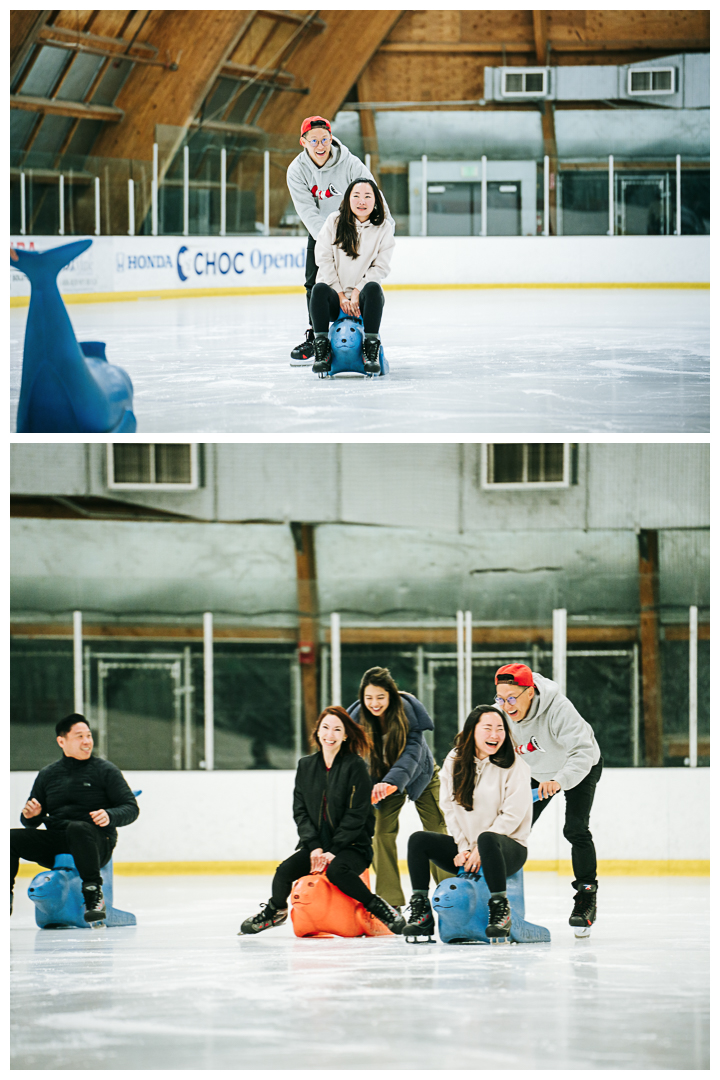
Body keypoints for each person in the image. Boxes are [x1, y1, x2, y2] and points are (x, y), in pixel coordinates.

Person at [240, 706, 406, 936]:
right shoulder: (306, 766)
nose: (331, 734)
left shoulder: (356, 766)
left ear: (345, 735)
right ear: (317, 731)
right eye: (326, 728)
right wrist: (315, 847)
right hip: (316, 846)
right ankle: (276, 911)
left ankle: (379, 908)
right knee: (284, 871)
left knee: (338, 871)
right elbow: (300, 811)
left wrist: (335, 849)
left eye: (338, 729)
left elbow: (357, 813)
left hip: (353, 846)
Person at [403, 705, 533, 940]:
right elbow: (449, 809)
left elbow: (513, 816)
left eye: (500, 729)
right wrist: (463, 847)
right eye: (488, 728)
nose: (495, 735)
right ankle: (421, 911)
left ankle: (500, 910)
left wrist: (480, 849)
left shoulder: (515, 766)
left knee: (487, 838)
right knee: (419, 840)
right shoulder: (455, 760)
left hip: (508, 849)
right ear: (472, 731)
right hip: (470, 849)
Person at [493, 662, 603, 933]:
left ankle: (586, 896)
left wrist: (559, 781)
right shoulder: (499, 713)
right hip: (535, 771)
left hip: (579, 766)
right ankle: (497, 899)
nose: (506, 706)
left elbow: (582, 752)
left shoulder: (558, 709)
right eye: (500, 698)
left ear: (530, 692)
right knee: (513, 828)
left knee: (575, 828)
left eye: (512, 698)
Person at [10, 714, 139, 921]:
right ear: (62, 741)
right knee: (9, 839)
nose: (87, 741)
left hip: (97, 842)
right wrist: (31, 816)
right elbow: (30, 822)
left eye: (89, 735)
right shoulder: (48, 774)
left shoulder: (105, 770)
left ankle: (93, 894)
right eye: (79, 736)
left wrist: (109, 815)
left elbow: (131, 808)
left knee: (77, 828)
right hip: (59, 840)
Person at [286, 115, 393, 362]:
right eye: (314, 141)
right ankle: (316, 335)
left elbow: (372, 192)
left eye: (325, 139)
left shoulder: (350, 164)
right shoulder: (296, 170)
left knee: (366, 280)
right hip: (322, 229)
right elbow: (307, 210)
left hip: (357, 226)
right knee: (314, 283)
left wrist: (385, 225)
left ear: (331, 138)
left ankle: (370, 336)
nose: (320, 145)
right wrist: (328, 238)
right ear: (303, 142)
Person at [347, 666, 452, 910]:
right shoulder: (356, 721)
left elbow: (412, 753)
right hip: (382, 784)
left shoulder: (407, 712)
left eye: (381, 697)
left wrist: (392, 782)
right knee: (381, 831)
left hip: (422, 775)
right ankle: (389, 900)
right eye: (369, 697)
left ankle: (450, 892)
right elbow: (354, 759)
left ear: (391, 695)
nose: (375, 703)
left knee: (436, 829)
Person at [310, 177, 395, 375]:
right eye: (356, 196)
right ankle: (322, 350)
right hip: (334, 297)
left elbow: (381, 267)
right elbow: (323, 259)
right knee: (319, 289)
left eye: (367, 196)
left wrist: (357, 290)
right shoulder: (334, 221)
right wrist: (340, 294)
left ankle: (370, 347)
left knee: (374, 288)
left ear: (376, 201)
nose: (362, 201)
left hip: (364, 300)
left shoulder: (384, 228)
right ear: (348, 199)